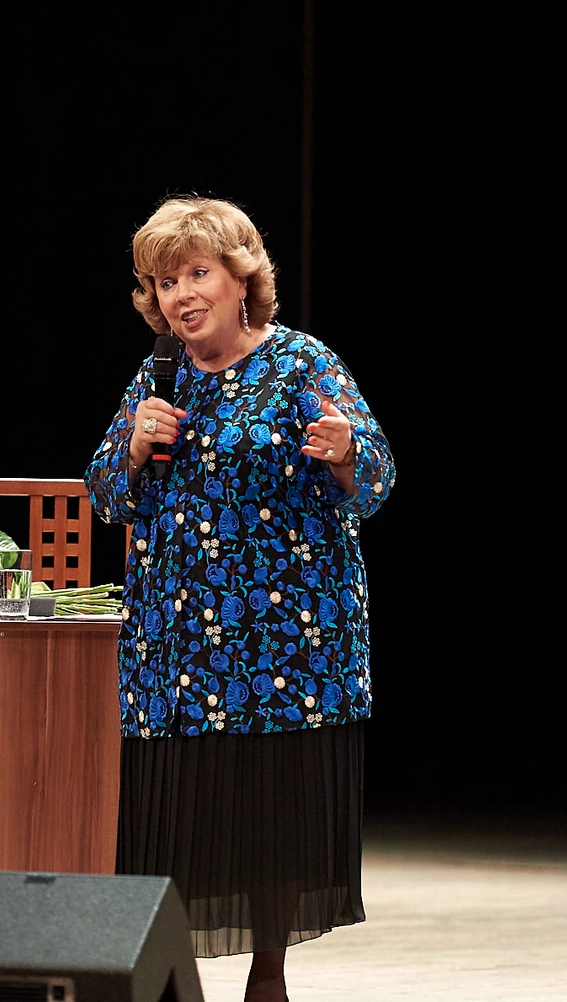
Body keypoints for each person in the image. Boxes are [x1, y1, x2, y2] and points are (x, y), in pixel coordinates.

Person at [85, 197, 395, 1002]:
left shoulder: (300, 362)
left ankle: (268, 975)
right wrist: (134, 446)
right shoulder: (157, 378)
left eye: (197, 274)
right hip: (176, 644)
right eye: (164, 282)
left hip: (284, 640)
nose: (181, 295)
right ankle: (165, 974)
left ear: (239, 279)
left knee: (270, 813)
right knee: (177, 812)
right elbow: (106, 495)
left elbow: (376, 476)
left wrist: (342, 452)